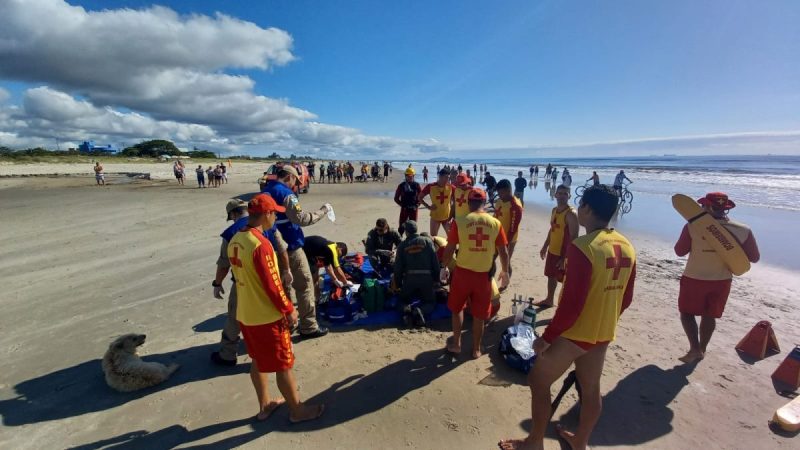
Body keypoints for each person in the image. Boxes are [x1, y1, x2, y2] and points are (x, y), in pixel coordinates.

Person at [499, 184, 637, 450]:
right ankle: (580, 442)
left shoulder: (583, 247)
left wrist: (546, 339)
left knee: (538, 381)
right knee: (590, 389)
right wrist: (604, 318)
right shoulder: (627, 245)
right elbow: (626, 298)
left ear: (585, 208)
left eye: (580, 205)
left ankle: (534, 442)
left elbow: (571, 305)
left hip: (576, 333)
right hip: (603, 332)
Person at [227, 194, 324, 423]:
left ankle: (265, 405)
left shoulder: (235, 240)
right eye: (275, 213)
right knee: (283, 364)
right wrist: (289, 308)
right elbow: (273, 284)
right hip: (266, 316)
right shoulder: (261, 245)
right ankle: (297, 411)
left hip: (246, 313)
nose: (276, 217)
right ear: (267, 215)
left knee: (258, 360)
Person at [674, 192, 759, 364]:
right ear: (726, 209)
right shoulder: (743, 230)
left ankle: (695, 349)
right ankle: (702, 349)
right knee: (709, 315)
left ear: (706, 207)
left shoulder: (693, 226)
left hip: (694, 278)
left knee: (686, 314)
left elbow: (679, 251)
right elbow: (754, 257)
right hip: (721, 281)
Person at [211, 198, 291, 367]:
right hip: (272, 278)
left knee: (234, 318)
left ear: (233, 214)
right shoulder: (268, 226)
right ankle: (272, 349)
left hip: (242, 284)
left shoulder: (231, 233)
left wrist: (217, 284)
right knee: (272, 317)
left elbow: (224, 264)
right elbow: (282, 249)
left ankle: (228, 354)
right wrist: (286, 270)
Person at [262, 165, 332, 339]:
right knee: (305, 285)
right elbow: (300, 219)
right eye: (296, 181)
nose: (296, 185)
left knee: (283, 288)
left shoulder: (265, 192)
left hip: (270, 248)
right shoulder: (287, 195)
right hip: (291, 247)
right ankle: (308, 326)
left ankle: (288, 323)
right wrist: (323, 211)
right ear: (290, 177)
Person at [440, 188, 510, 359]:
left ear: (469, 203)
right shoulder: (495, 223)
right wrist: (505, 271)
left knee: (457, 309)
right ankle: (476, 349)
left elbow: (449, 248)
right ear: (485, 203)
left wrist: (444, 266)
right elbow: (503, 251)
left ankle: (456, 344)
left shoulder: (461, 221)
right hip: (483, 277)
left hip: (463, 274)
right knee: (479, 315)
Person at [535, 185, 579, 308]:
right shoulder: (554, 210)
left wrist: (565, 257)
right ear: (555, 195)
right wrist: (545, 246)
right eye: (559, 193)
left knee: (565, 280)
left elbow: (574, 237)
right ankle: (549, 300)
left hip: (564, 253)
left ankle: (565, 306)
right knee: (550, 275)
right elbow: (552, 229)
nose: (562, 196)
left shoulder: (571, 213)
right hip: (553, 250)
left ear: (569, 196)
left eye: (565, 194)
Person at [393, 220, 440, 327]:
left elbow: (398, 268)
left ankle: (407, 310)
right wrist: (436, 280)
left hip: (410, 279)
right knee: (430, 302)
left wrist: (398, 284)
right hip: (426, 279)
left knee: (401, 300)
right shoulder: (427, 242)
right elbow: (435, 262)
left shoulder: (402, 245)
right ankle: (420, 311)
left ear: (406, 232)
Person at [494, 180, 524, 264]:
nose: (499, 196)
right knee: (491, 259)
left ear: (509, 191)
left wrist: (505, 244)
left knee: (506, 263)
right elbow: (495, 217)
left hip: (509, 239)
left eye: (501, 193)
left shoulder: (515, 206)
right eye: (498, 193)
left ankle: (507, 276)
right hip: (496, 235)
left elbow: (513, 229)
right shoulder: (499, 201)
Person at [419, 168, 455, 237]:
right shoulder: (431, 186)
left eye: (448, 178)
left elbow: (459, 195)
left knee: (451, 237)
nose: (448, 180)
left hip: (447, 217)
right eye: (446, 177)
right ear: (440, 176)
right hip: (435, 216)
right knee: (433, 237)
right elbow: (419, 197)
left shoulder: (451, 187)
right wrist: (428, 207)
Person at [394, 167, 422, 236]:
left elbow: (421, 196)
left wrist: (417, 205)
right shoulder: (401, 186)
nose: (410, 177)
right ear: (405, 176)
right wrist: (402, 205)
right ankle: (399, 241)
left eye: (411, 176)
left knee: (413, 227)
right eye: (408, 176)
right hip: (404, 209)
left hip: (414, 209)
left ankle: (412, 241)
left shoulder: (417, 185)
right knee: (401, 226)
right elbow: (396, 198)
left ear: (413, 176)